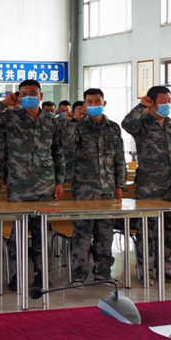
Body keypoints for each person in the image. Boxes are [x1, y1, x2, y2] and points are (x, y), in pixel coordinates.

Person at [0, 81, 65, 291]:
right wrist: (4, 103)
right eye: (23, 93)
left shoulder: (51, 121)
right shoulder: (11, 117)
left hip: (45, 184)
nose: (28, 96)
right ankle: (17, 275)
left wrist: (59, 181)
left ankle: (41, 275)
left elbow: (58, 152)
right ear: (18, 96)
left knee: (42, 233)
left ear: (40, 96)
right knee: (18, 235)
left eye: (32, 93)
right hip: (18, 184)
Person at [121, 85, 171, 282]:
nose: (167, 104)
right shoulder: (142, 124)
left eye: (168, 100)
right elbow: (126, 124)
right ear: (152, 102)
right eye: (163, 100)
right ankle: (146, 271)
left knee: (169, 231)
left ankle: (165, 269)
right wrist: (141, 107)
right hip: (149, 186)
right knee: (148, 231)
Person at [63, 88, 126, 283]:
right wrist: (73, 122)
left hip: (107, 189)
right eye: (89, 102)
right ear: (84, 104)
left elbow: (119, 158)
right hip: (84, 190)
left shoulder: (113, 127)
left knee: (105, 233)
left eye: (97, 101)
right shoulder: (78, 127)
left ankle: (103, 272)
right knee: (82, 233)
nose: (93, 105)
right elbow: (66, 145)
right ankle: (79, 274)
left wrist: (119, 185)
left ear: (103, 103)